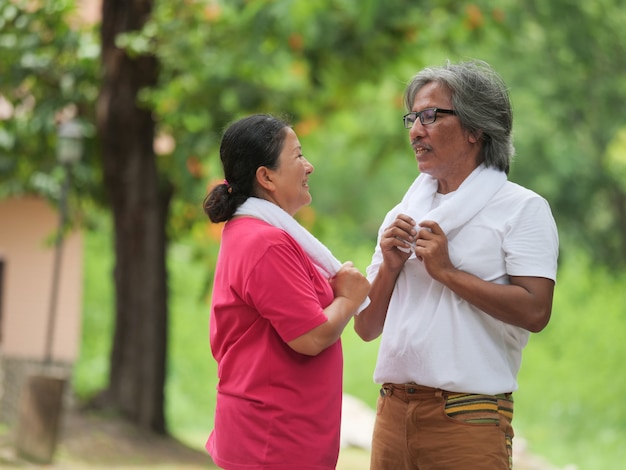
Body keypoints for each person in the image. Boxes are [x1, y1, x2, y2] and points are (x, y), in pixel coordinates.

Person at [354, 60, 559, 470]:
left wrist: (447, 272)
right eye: (411, 117)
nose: (415, 130)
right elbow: (366, 327)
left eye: (430, 115)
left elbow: (536, 311)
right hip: (393, 413)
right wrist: (391, 268)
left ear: (475, 128)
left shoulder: (521, 209)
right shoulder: (403, 213)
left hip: (468, 418)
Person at [203, 113, 370, 470]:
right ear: (266, 177)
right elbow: (309, 337)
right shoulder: (266, 242)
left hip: (275, 434)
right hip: (271, 440)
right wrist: (348, 299)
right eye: (297, 156)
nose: (308, 166)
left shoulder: (256, 234)